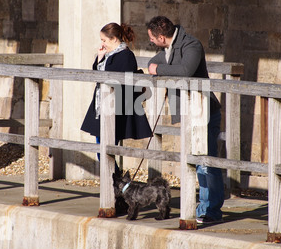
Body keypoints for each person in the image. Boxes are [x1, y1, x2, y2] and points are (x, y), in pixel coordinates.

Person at [147, 16, 224, 224]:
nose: (152, 44)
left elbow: (184, 71)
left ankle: (212, 211)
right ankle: (203, 208)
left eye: (152, 40)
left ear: (162, 37)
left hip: (205, 111)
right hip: (191, 113)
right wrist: (156, 67)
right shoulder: (170, 48)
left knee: (206, 162)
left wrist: (158, 70)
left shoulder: (191, 45)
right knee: (195, 161)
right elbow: (153, 62)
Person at [81, 22, 153, 161]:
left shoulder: (126, 56)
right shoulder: (106, 54)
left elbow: (117, 81)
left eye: (104, 40)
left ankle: (116, 180)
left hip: (116, 107)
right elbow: (97, 74)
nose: (102, 43)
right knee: (100, 148)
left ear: (114, 39)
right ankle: (116, 180)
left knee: (105, 149)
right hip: (101, 105)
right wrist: (100, 57)